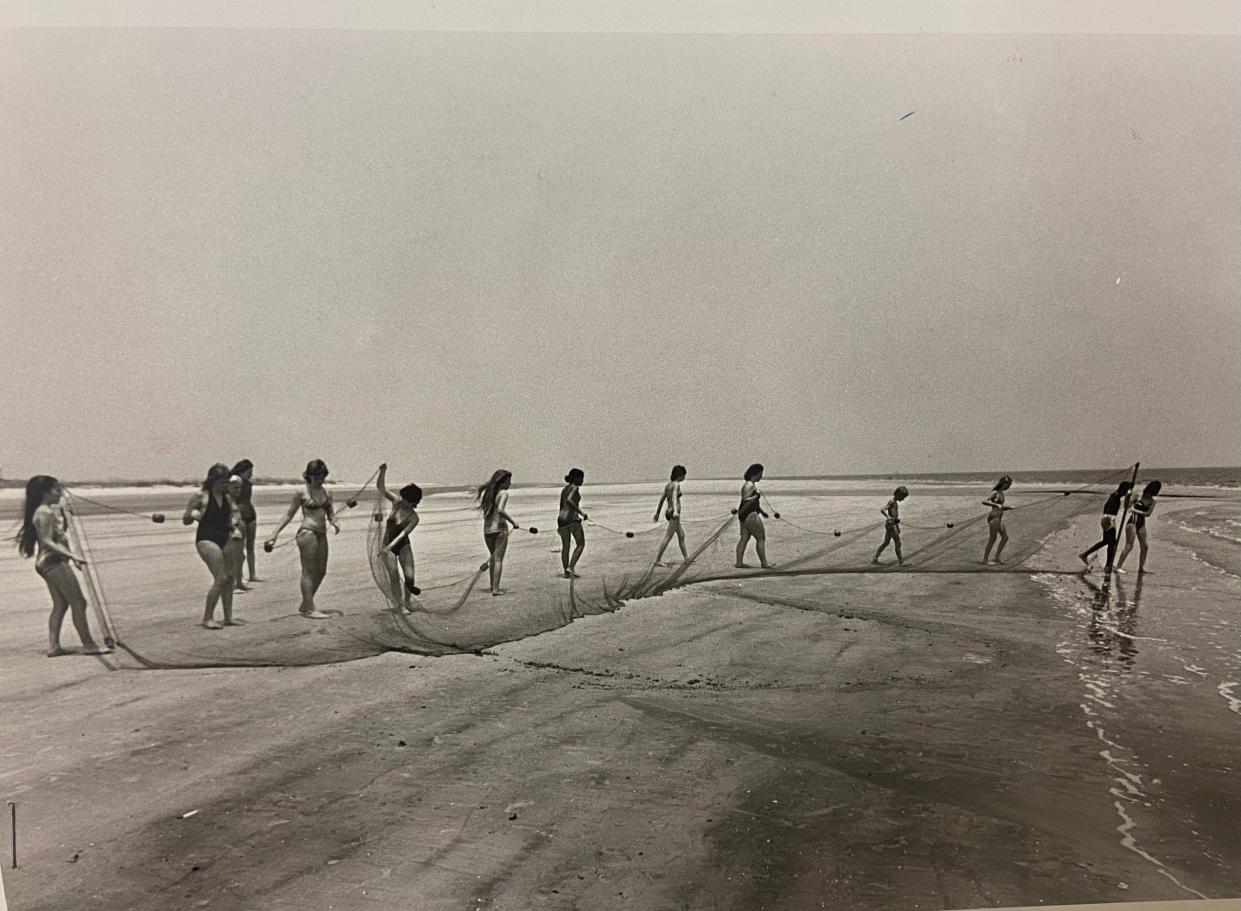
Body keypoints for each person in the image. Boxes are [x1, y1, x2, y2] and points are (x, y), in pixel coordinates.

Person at [14, 475, 107, 656]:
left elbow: (59, 538)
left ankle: (54, 646)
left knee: (61, 605)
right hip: (53, 563)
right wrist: (73, 556)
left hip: (49, 562)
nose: (61, 493)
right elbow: (48, 541)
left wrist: (64, 516)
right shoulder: (44, 512)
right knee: (79, 603)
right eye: (57, 490)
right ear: (45, 493)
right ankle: (89, 645)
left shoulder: (46, 511)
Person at [264, 459, 339, 619]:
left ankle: (306, 603)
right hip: (307, 533)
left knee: (322, 571)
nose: (319, 480)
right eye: (315, 477)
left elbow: (330, 513)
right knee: (308, 572)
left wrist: (335, 522)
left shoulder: (328, 493)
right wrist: (274, 534)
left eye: (321, 476)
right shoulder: (302, 492)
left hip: (322, 533)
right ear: (309, 476)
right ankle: (310, 608)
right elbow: (288, 514)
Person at [183, 463, 238, 629]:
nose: (225, 485)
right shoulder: (201, 496)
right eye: (221, 482)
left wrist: (234, 523)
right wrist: (193, 514)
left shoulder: (227, 497)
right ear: (212, 481)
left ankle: (228, 617)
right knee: (221, 578)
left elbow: (234, 513)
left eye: (226, 482)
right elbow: (185, 519)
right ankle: (207, 618)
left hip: (224, 537)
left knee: (230, 579)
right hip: (206, 539)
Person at [378, 463, 422, 610]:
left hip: (402, 544)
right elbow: (381, 489)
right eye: (402, 497)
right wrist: (383, 471)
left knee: (410, 577)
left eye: (406, 499)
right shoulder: (396, 502)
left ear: (413, 503)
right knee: (394, 576)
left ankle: (407, 600)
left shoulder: (414, 517)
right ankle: (399, 605)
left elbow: (403, 533)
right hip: (387, 544)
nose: (402, 500)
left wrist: (391, 546)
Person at [477, 469, 522, 595]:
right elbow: (501, 510)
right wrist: (513, 522)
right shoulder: (503, 493)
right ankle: (496, 589)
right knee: (498, 560)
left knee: (493, 558)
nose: (510, 484)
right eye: (508, 481)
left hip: (487, 530)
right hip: (500, 528)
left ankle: (493, 586)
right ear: (502, 482)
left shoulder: (488, 493)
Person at [1078, 481, 1134, 573]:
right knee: (1112, 543)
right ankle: (1106, 565)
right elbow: (1110, 511)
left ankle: (1087, 555)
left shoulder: (1114, 495)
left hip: (1105, 519)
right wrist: (1111, 523)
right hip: (1108, 520)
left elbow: (1105, 507)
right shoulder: (1116, 498)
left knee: (1107, 542)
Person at [1115, 481, 1161, 575]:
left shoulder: (1153, 501)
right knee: (1129, 545)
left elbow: (1148, 514)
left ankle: (1141, 568)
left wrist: (1135, 510)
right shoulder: (1138, 496)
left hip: (1141, 523)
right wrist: (1128, 496)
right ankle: (1118, 566)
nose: (1149, 494)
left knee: (1145, 546)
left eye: (1151, 493)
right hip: (1132, 522)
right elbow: (1126, 506)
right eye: (1149, 492)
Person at [736, 463, 774, 569]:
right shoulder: (749, 485)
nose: (761, 476)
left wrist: (762, 512)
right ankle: (764, 563)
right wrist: (756, 496)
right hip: (750, 515)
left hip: (744, 515)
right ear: (755, 474)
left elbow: (750, 502)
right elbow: (745, 500)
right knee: (761, 538)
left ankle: (739, 563)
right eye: (760, 474)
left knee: (744, 538)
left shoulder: (749, 484)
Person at [230, 458, 261, 585]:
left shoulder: (248, 482)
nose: (251, 474)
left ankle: (252, 574)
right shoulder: (234, 481)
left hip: (250, 514)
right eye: (249, 471)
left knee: (250, 546)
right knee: (239, 548)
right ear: (242, 471)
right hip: (240, 515)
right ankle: (239, 577)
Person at [652, 465, 688, 567]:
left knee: (681, 536)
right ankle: (658, 559)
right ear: (679, 475)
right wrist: (676, 512)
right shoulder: (676, 485)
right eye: (684, 475)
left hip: (670, 513)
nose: (685, 477)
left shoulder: (668, 485)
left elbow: (662, 499)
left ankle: (686, 558)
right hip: (673, 514)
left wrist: (657, 513)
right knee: (668, 537)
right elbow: (674, 498)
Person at [558, 468, 588, 578]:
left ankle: (566, 572)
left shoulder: (564, 489)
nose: (583, 481)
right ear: (576, 478)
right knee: (581, 544)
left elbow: (562, 505)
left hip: (561, 519)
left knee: (565, 546)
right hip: (571, 519)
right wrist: (581, 513)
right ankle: (571, 567)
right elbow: (569, 501)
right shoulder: (574, 488)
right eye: (581, 478)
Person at [225, 474, 251, 593]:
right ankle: (234, 584)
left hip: (240, 531)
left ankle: (239, 582)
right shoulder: (225, 499)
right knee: (232, 558)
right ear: (228, 487)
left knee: (241, 556)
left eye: (239, 488)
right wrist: (234, 528)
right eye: (235, 488)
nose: (238, 491)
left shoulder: (233, 500)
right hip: (233, 532)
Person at [872, 486, 909, 565]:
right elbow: (883, 509)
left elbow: (894, 515)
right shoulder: (892, 501)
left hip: (892, 524)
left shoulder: (895, 503)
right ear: (898, 495)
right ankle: (901, 562)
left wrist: (897, 526)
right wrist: (888, 517)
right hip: (891, 525)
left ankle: (875, 558)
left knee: (886, 542)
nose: (903, 499)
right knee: (898, 542)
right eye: (903, 497)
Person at [982, 476, 1013, 565]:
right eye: (1008, 485)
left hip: (999, 517)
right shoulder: (995, 492)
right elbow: (984, 501)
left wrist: (1006, 508)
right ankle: (985, 560)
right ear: (1003, 484)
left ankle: (997, 557)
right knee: (992, 539)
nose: (1008, 487)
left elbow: (1000, 506)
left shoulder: (1001, 493)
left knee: (1005, 537)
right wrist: (997, 505)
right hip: (993, 517)